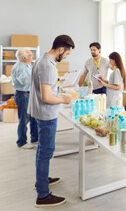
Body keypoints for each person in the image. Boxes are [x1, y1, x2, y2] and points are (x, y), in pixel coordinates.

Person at [28, 35, 74, 208]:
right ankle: (43, 194)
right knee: (46, 151)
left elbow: (43, 87)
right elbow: (47, 97)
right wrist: (64, 99)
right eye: (67, 54)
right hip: (46, 114)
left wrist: (56, 81)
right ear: (61, 49)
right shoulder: (48, 66)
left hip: (40, 112)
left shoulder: (42, 60)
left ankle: (41, 179)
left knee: (42, 150)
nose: (66, 57)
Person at [11, 48, 38, 149]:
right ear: (24, 57)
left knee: (33, 118)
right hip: (23, 95)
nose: (32, 57)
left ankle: (34, 138)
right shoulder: (20, 67)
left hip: (29, 94)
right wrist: (37, 74)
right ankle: (21, 142)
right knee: (24, 120)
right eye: (30, 55)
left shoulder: (27, 65)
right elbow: (25, 81)